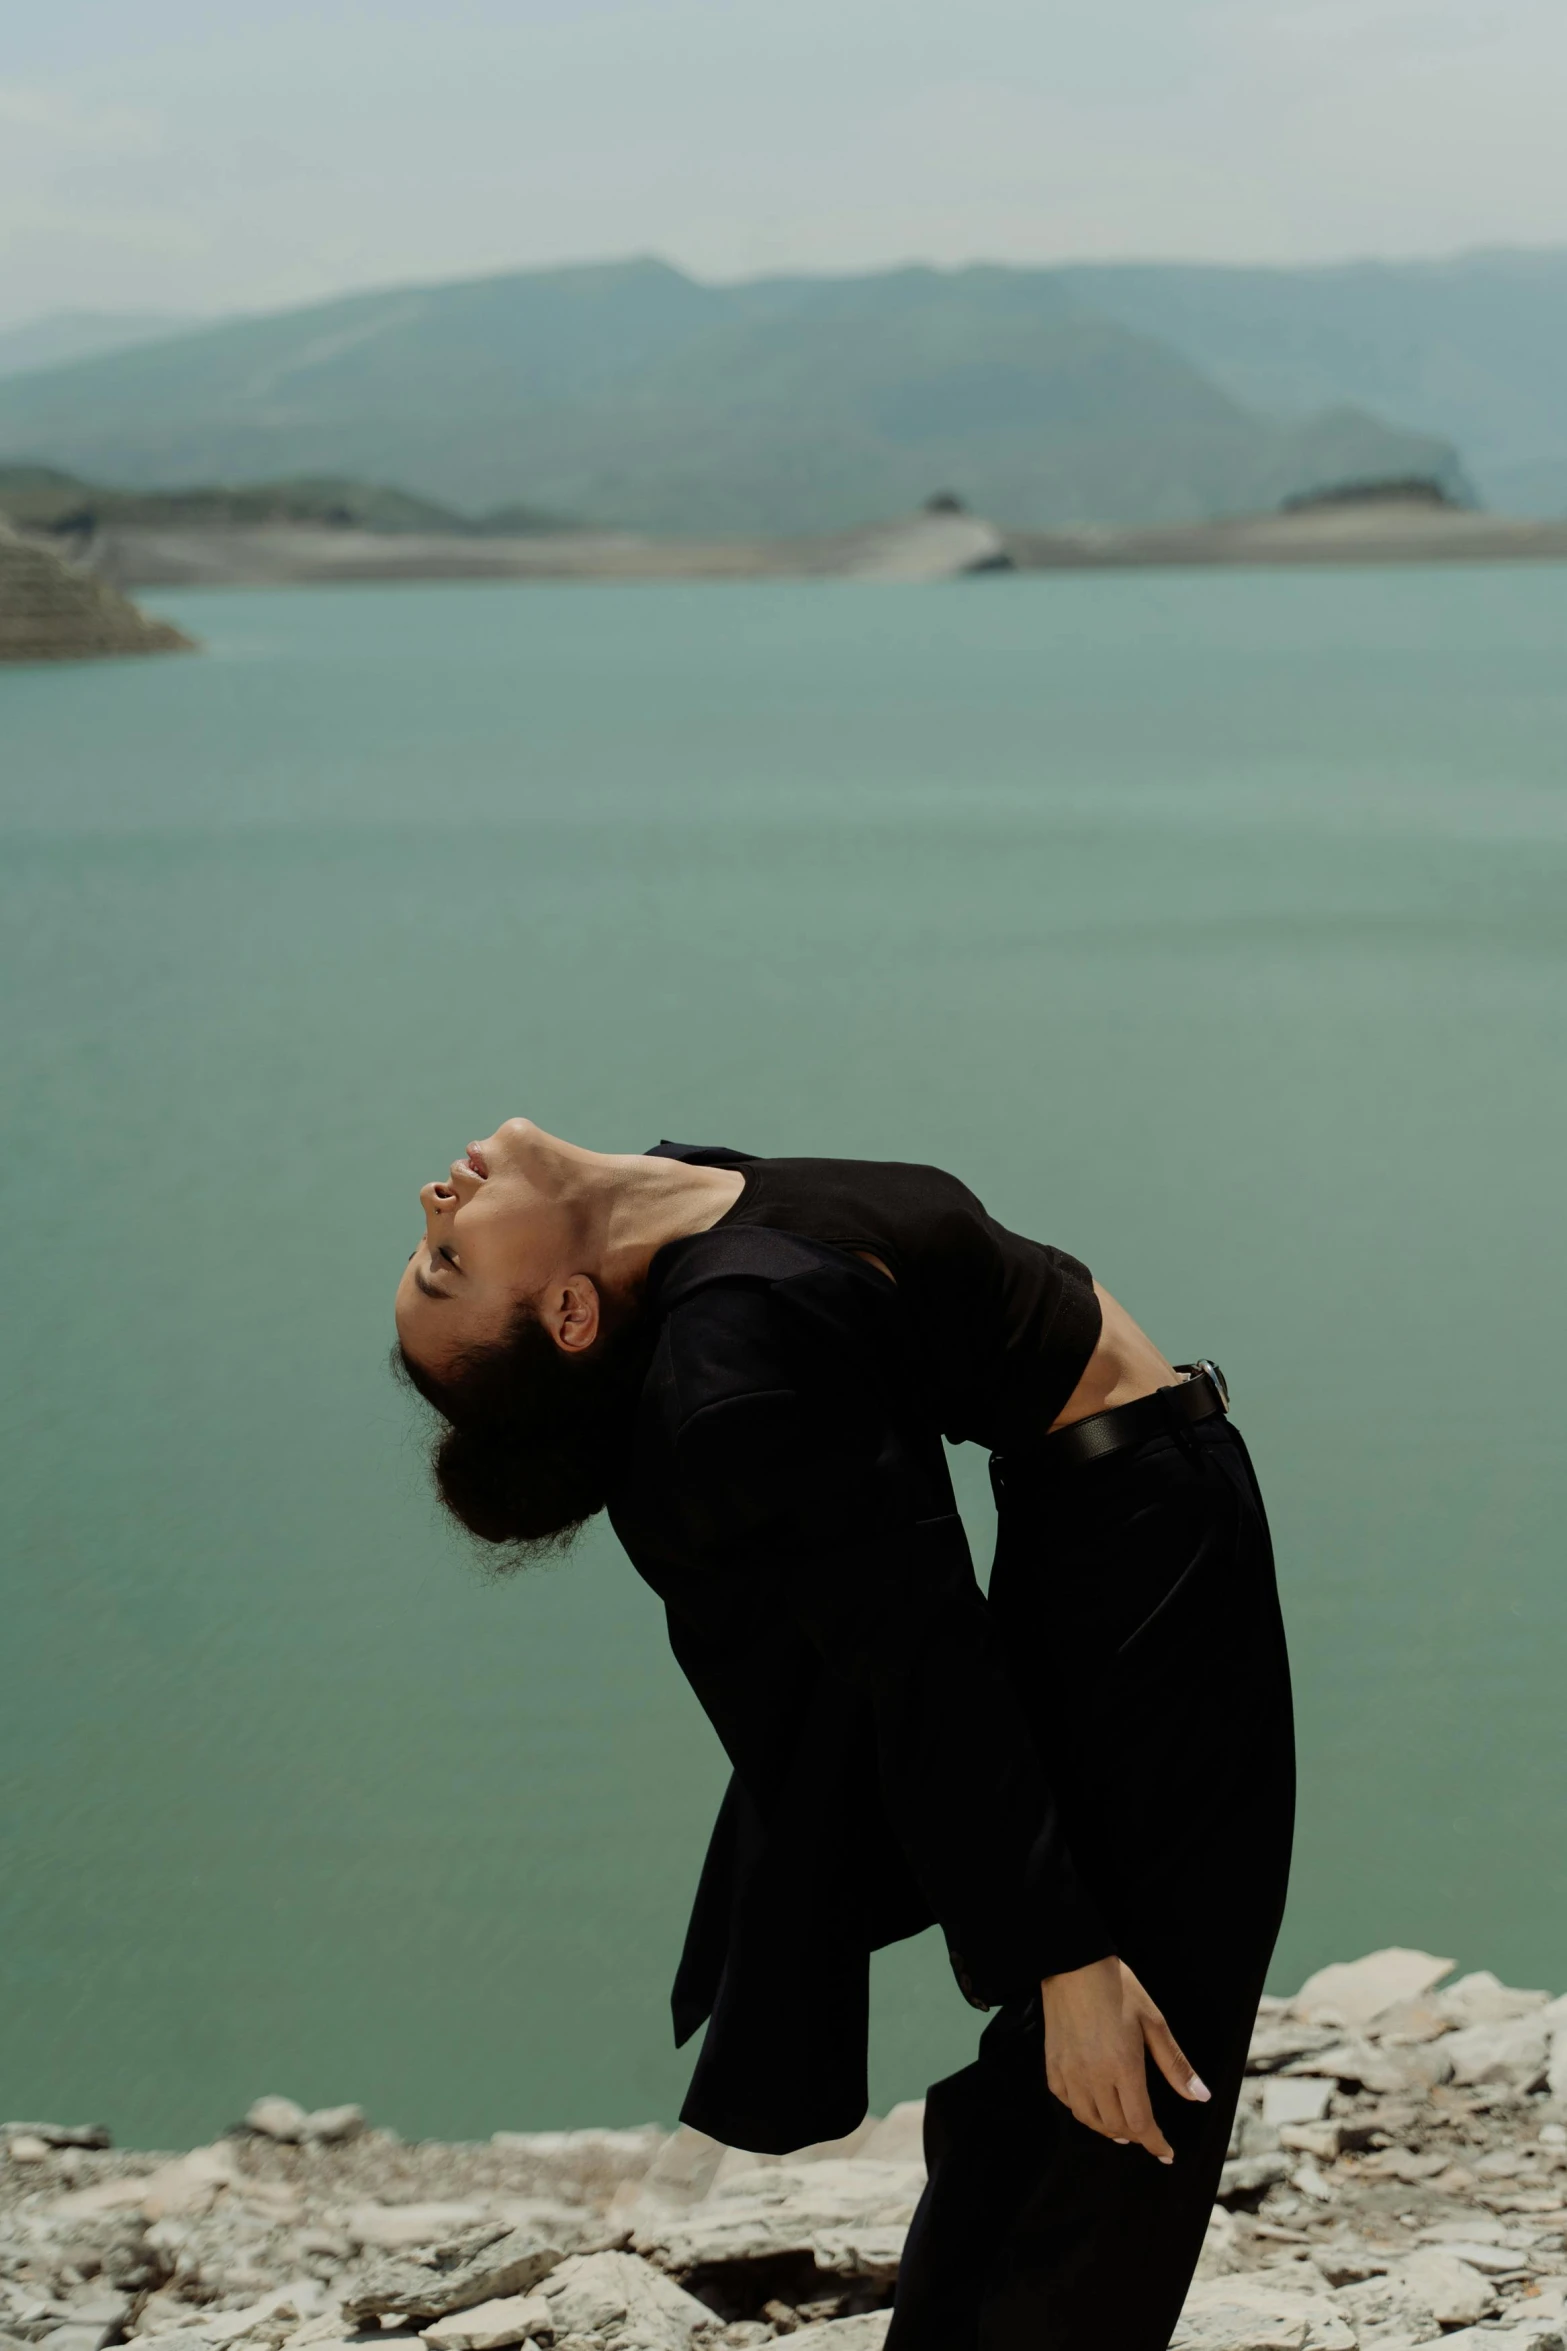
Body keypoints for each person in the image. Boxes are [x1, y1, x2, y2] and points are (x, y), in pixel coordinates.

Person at [393, 1118, 1294, 2351]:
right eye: (445, 1258)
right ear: (565, 1313)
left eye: (429, 1247)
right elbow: (918, 1653)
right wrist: (1061, 1952)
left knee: (1096, 2082)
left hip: (1118, 1520)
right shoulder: (733, 1343)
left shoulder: (688, 1193)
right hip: (1137, 1551)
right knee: (1135, 2067)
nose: (435, 1202)